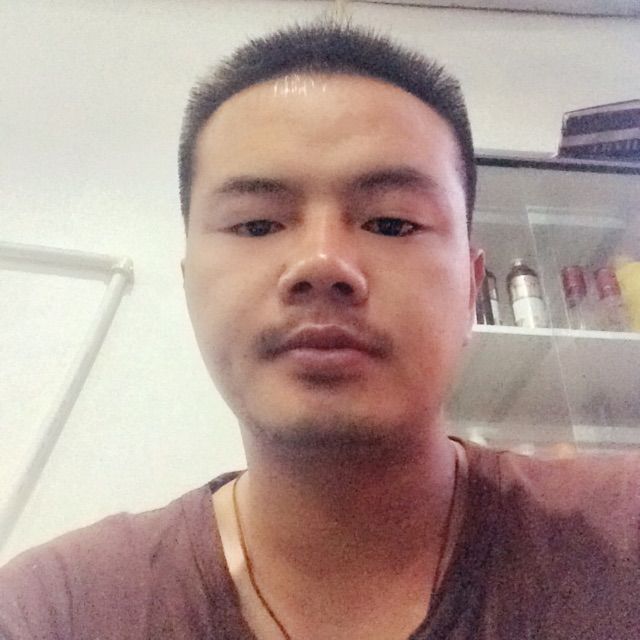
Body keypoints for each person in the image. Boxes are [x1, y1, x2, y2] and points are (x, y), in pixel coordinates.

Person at [1, 19, 639, 640]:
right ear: (191, 284)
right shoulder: (52, 612)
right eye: (257, 224)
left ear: (473, 290)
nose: (322, 264)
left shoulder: (622, 536)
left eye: (391, 223)